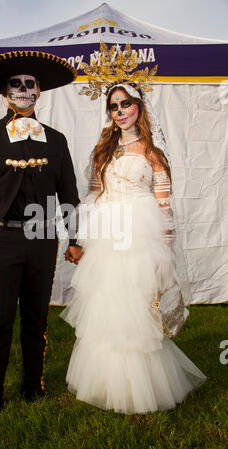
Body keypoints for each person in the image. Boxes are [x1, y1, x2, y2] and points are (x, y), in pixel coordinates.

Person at [61, 42, 206, 414]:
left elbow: (164, 206)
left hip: (142, 240)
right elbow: (93, 195)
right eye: (113, 106)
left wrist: (166, 254)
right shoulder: (102, 151)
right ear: (108, 112)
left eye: (126, 103)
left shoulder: (154, 153)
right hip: (109, 237)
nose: (120, 111)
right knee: (108, 308)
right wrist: (84, 239)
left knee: (140, 311)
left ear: (138, 106)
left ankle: (145, 386)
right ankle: (109, 383)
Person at [0, 50, 81, 424]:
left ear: (40, 91)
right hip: (2, 241)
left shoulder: (57, 141)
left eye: (30, 84)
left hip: (44, 242)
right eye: (16, 84)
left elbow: (69, 194)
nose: (24, 89)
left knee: (37, 319)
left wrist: (74, 238)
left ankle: (34, 387)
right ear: (4, 93)